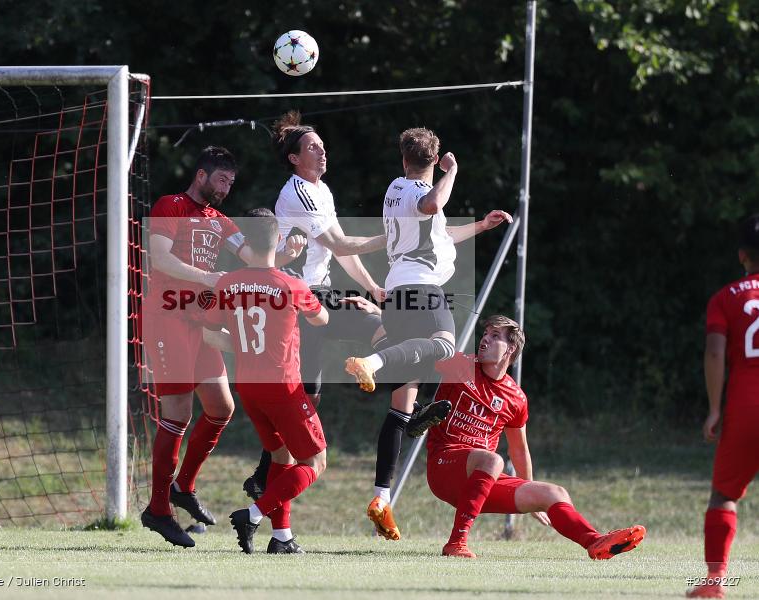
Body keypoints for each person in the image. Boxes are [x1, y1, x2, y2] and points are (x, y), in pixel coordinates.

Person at [345, 127, 511, 540]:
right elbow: (434, 201)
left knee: (400, 409)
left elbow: (439, 230)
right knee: (444, 345)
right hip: (423, 290)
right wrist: (452, 171)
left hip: (399, 294)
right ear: (433, 162)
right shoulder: (420, 188)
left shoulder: (395, 191)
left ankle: (382, 497)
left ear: (403, 158)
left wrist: (481, 226)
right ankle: (376, 358)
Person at [142, 147, 305, 548]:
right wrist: (210, 277)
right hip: (168, 318)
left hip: (199, 319)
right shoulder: (171, 205)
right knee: (178, 413)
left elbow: (252, 254)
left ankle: (183, 487)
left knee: (221, 407)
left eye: (231, 182)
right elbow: (160, 259)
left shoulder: (220, 221)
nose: (227, 187)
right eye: (221, 180)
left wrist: (286, 253)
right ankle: (159, 509)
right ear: (201, 175)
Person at [241, 111, 390, 501]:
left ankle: (263, 474)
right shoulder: (299, 192)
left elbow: (337, 250)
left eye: (323, 145)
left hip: (316, 293)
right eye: (313, 147)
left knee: (310, 394)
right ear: (294, 158)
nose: (323, 152)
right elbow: (342, 245)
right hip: (300, 300)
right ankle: (404, 406)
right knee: (374, 327)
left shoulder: (321, 190)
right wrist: (392, 235)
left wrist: (372, 286)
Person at [428, 315, 647, 560]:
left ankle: (594, 542)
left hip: (481, 478)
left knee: (554, 493)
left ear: (510, 349)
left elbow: (519, 450)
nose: (485, 339)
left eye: (495, 336)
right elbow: (416, 352)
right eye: (486, 333)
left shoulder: (516, 397)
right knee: (493, 460)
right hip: (443, 467)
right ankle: (456, 543)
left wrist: (528, 488)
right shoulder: (461, 365)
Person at [202, 208, 329, 554]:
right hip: (283, 386)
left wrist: (244, 350)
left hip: (248, 386)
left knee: (281, 457)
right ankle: (254, 515)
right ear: (279, 240)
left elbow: (210, 334)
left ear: (245, 239)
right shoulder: (290, 284)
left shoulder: (227, 282)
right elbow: (322, 319)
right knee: (315, 462)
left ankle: (282, 538)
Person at [686, 214, 759, 599]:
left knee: (723, 495)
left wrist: (715, 409)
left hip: (746, 403)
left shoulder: (726, 297)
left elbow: (715, 353)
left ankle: (715, 583)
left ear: (742, 254)